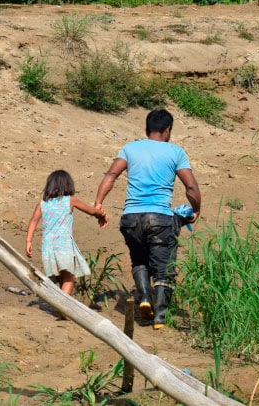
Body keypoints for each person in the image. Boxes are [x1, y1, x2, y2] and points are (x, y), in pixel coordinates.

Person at [93, 109, 201, 329]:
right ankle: (160, 317)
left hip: (130, 218)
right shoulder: (176, 152)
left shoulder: (129, 148)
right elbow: (190, 186)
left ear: (146, 129)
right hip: (160, 218)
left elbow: (111, 175)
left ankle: (144, 297)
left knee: (139, 260)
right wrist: (196, 209)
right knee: (164, 267)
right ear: (168, 129)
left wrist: (98, 203)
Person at [25, 170, 108, 312]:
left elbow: (33, 221)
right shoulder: (70, 200)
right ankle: (62, 308)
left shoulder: (42, 204)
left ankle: (63, 306)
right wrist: (101, 213)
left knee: (62, 276)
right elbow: (91, 211)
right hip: (63, 244)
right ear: (68, 185)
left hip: (48, 246)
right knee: (70, 277)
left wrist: (28, 241)